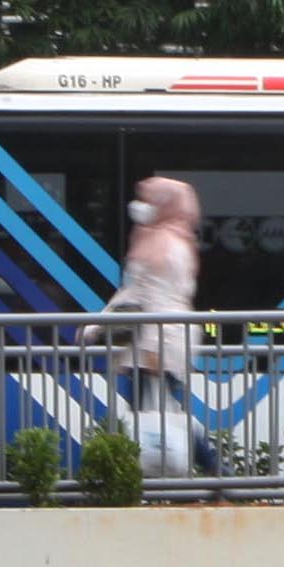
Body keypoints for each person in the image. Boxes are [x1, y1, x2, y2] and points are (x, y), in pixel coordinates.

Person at [88, 175, 213, 476]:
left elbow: (143, 296)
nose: (141, 207)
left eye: (149, 200)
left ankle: (212, 471)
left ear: (164, 205)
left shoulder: (160, 245)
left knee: (152, 417)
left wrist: (96, 327)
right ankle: (213, 475)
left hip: (154, 343)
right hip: (166, 339)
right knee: (165, 414)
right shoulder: (173, 239)